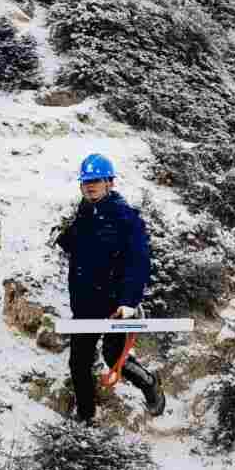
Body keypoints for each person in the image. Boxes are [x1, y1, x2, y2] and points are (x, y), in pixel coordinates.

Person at [56, 153, 165, 424]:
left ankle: (150, 384)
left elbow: (138, 262)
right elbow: (76, 246)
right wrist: (65, 236)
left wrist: (129, 301)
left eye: (96, 180)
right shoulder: (84, 215)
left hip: (117, 305)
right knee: (78, 363)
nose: (90, 186)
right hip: (85, 305)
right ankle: (86, 419)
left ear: (109, 183)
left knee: (114, 356)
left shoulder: (125, 218)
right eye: (85, 182)